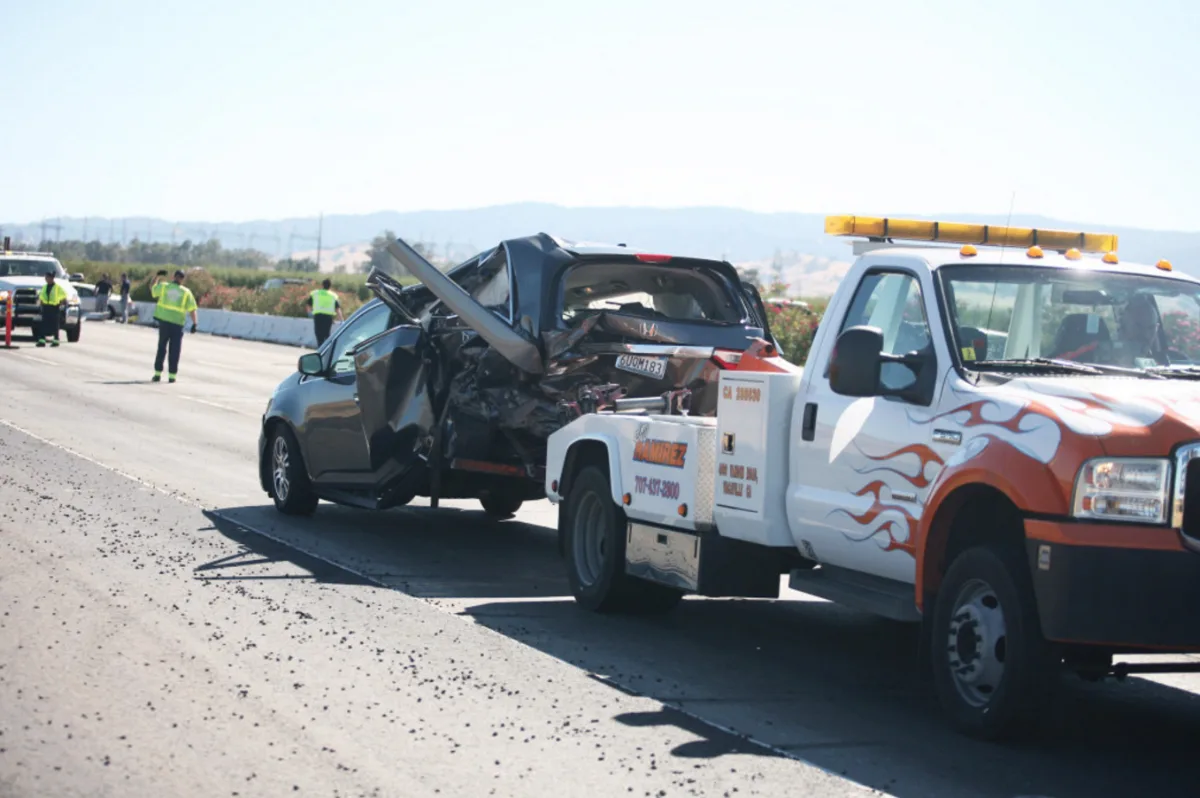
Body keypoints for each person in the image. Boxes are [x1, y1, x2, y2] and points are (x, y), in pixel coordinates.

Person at [150, 269, 199, 383]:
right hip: (177, 325)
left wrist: (156, 276)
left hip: (164, 323)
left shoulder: (164, 287)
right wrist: (195, 323)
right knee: (175, 351)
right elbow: (192, 309)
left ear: (173, 276)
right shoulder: (186, 292)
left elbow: (153, 289)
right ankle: (172, 376)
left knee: (161, 348)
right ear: (182, 279)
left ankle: (157, 374)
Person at [1113, 293, 1168, 367]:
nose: (1146, 334)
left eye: (1151, 328)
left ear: (1156, 329)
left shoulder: (1169, 363)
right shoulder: (1102, 361)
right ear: (1123, 326)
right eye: (1139, 327)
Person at [306, 278, 344, 346]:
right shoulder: (333, 295)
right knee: (326, 334)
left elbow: (308, 305)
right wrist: (341, 320)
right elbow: (338, 309)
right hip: (328, 318)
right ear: (330, 286)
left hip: (318, 316)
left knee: (318, 334)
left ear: (322, 285)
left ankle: (320, 348)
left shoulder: (315, 293)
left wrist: (310, 313)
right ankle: (326, 349)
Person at [36, 270, 68, 348]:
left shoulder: (57, 288)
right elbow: (41, 296)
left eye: (47, 277)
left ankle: (56, 341)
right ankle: (42, 341)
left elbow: (64, 297)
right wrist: (40, 304)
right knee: (43, 325)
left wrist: (61, 304)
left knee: (55, 325)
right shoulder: (45, 287)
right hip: (46, 307)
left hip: (54, 308)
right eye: (45, 277)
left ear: (51, 278)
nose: (46, 279)